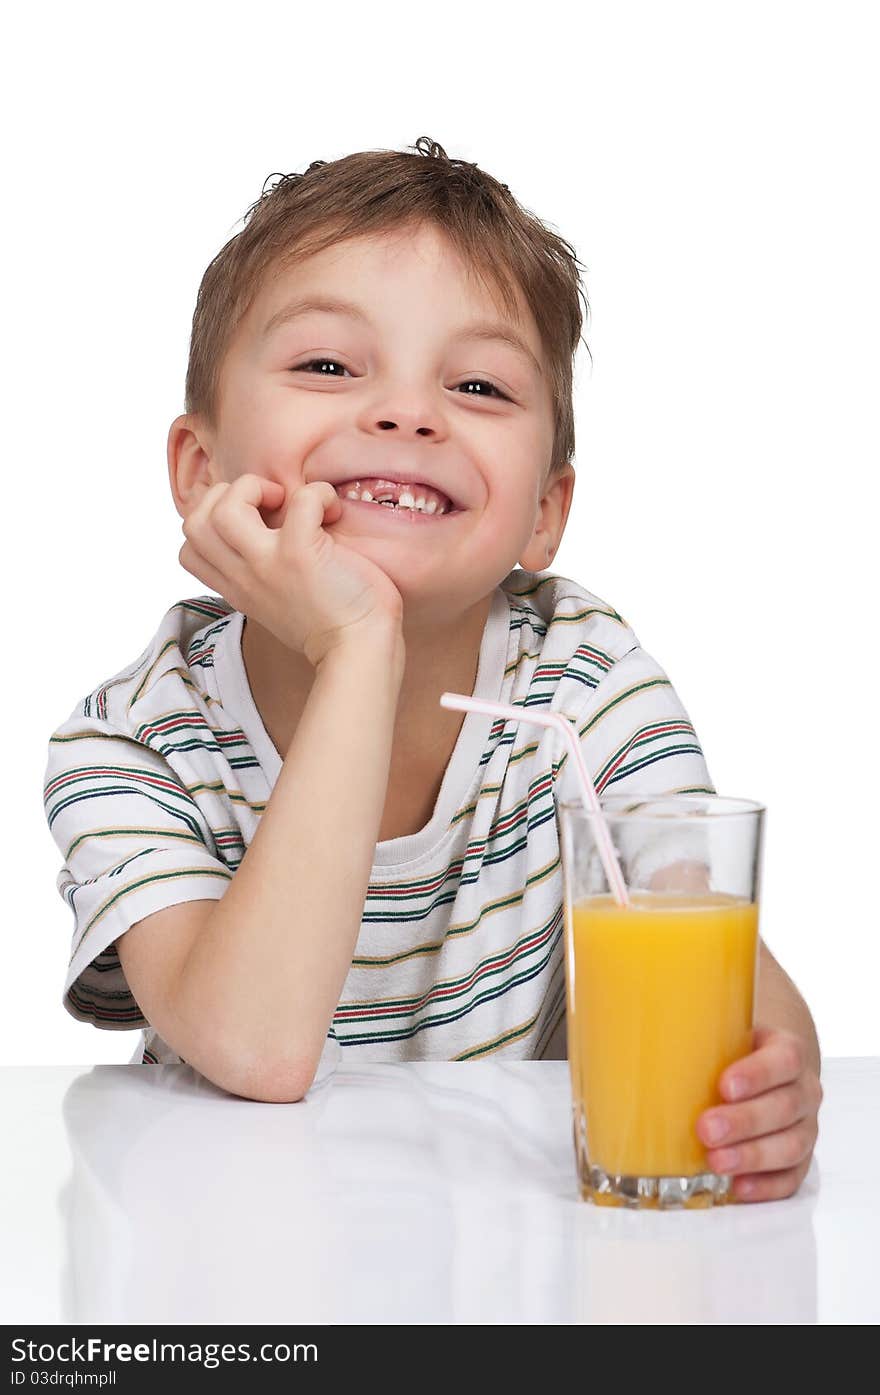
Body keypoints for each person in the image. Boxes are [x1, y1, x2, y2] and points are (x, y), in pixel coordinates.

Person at [43, 137, 821, 1200]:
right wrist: (358, 647)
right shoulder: (132, 741)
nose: (408, 414)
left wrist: (769, 1083)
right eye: (327, 366)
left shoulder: (582, 682)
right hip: (237, 1250)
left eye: (478, 384)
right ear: (200, 470)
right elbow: (258, 1051)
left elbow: (715, 964)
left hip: (515, 1254)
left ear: (543, 513)